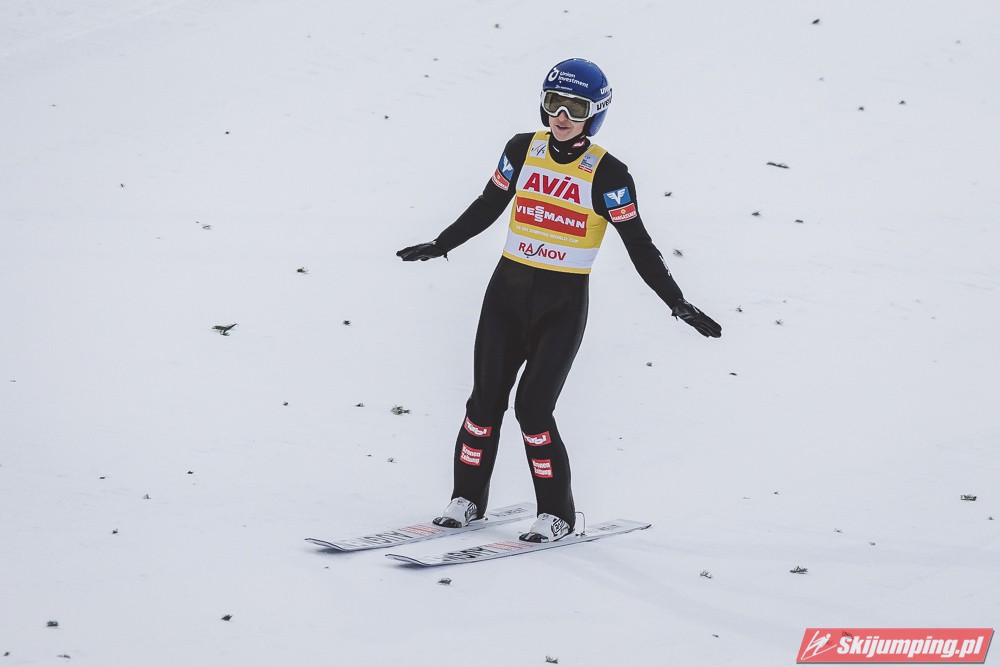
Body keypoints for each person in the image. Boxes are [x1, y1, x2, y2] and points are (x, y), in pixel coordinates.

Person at [397, 58, 721, 543]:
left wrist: (676, 301)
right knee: (483, 404)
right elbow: (489, 204)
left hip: (561, 305)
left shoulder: (608, 173)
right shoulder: (521, 149)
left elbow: (639, 244)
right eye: (554, 104)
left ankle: (556, 514)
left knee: (533, 410)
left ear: (596, 114)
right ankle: (466, 499)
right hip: (505, 296)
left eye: (576, 108)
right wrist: (442, 243)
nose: (562, 117)